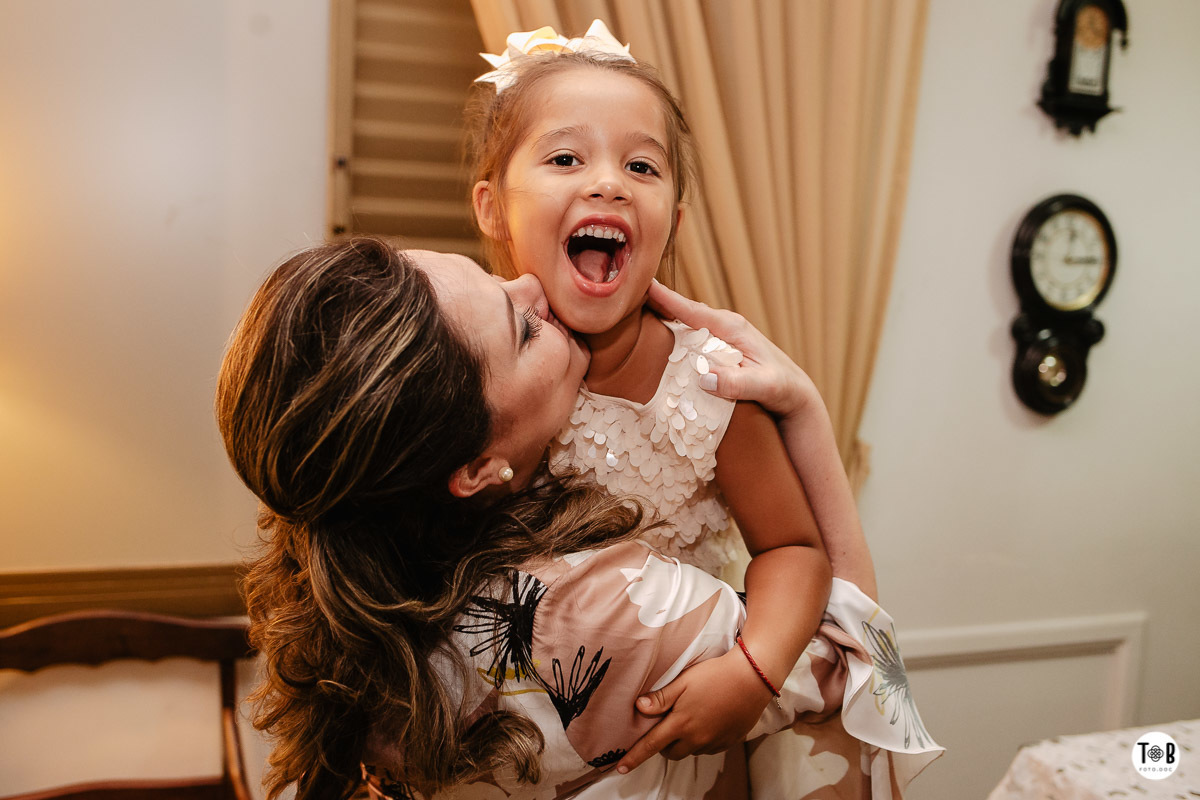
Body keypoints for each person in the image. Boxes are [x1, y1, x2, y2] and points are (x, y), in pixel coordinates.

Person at [217, 238, 940, 800]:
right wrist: (806, 410)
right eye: (523, 328)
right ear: (475, 471)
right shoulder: (597, 612)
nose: (532, 286)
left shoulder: (344, 611)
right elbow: (860, 666)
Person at [465, 21, 880, 769]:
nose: (608, 182)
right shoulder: (466, 369)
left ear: (672, 227)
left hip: (674, 725)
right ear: (492, 209)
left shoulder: (712, 383)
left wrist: (751, 674)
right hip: (518, 739)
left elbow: (793, 548)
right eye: (566, 157)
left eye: (642, 167)